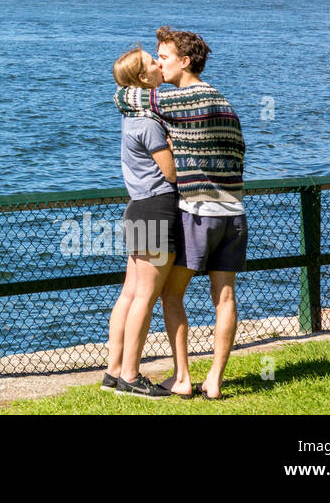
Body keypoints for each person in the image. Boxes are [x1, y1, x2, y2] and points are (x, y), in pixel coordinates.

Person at [114, 26, 246, 399]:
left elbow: (125, 98)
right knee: (224, 298)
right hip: (234, 211)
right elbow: (240, 150)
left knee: (169, 296)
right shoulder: (224, 102)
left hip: (195, 211)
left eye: (164, 57)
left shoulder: (174, 102)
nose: (160, 63)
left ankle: (182, 377)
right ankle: (215, 381)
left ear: (185, 62)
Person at [103, 45, 178, 400]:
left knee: (130, 293)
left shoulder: (131, 117)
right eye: (153, 61)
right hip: (157, 208)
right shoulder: (149, 122)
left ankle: (113, 370)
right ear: (142, 77)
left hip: (137, 208)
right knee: (145, 297)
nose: (159, 64)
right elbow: (172, 172)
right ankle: (131, 376)